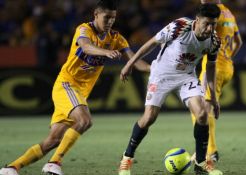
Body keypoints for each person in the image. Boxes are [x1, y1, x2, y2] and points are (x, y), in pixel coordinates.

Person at [0, 1, 150, 175]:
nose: (110, 21)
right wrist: (105, 52)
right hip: (66, 84)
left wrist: (155, 69)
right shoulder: (84, 29)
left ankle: (11, 168)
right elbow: (86, 46)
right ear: (96, 14)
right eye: (106, 17)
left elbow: (134, 61)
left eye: (113, 18)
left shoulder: (116, 38)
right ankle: (54, 163)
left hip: (79, 93)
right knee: (85, 121)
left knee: (53, 140)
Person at [118, 3, 221, 175]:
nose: (210, 28)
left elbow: (210, 68)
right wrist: (130, 63)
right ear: (197, 21)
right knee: (149, 117)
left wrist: (214, 99)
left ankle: (200, 165)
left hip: (187, 76)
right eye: (207, 24)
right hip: (161, 75)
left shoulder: (214, 41)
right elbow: (151, 43)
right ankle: (126, 159)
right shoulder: (179, 27)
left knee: (202, 114)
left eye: (214, 24)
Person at [191, 0, 243, 162]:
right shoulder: (229, 13)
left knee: (202, 109)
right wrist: (227, 57)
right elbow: (238, 42)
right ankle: (205, 149)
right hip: (227, 67)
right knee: (202, 108)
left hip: (213, 69)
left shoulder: (213, 15)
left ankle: (209, 151)